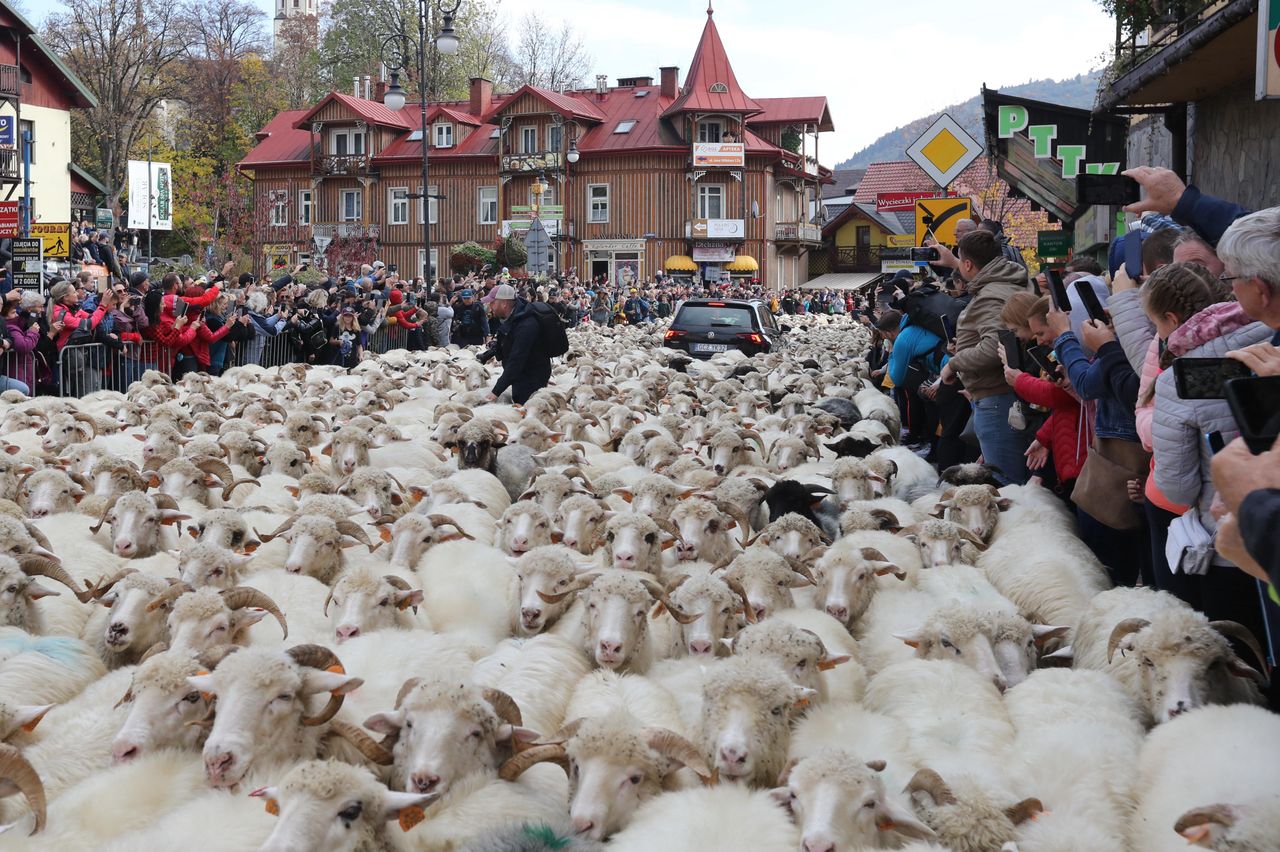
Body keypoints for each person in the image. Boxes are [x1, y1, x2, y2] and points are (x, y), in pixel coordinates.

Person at [937, 230, 1034, 484]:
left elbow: (994, 346)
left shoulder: (992, 294)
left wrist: (954, 363)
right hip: (998, 396)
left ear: (968, 264)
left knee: (1005, 482)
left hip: (996, 399)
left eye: (960, 261)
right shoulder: (1004, 282)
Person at [482, 284, 552, 404]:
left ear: (504, 303)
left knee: (527, 411)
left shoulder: (526, 324)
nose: (490, 306)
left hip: (531, 380)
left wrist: (496, 391)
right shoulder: (512, 319)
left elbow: (517, 359)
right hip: (520, 376)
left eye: (493, 303)